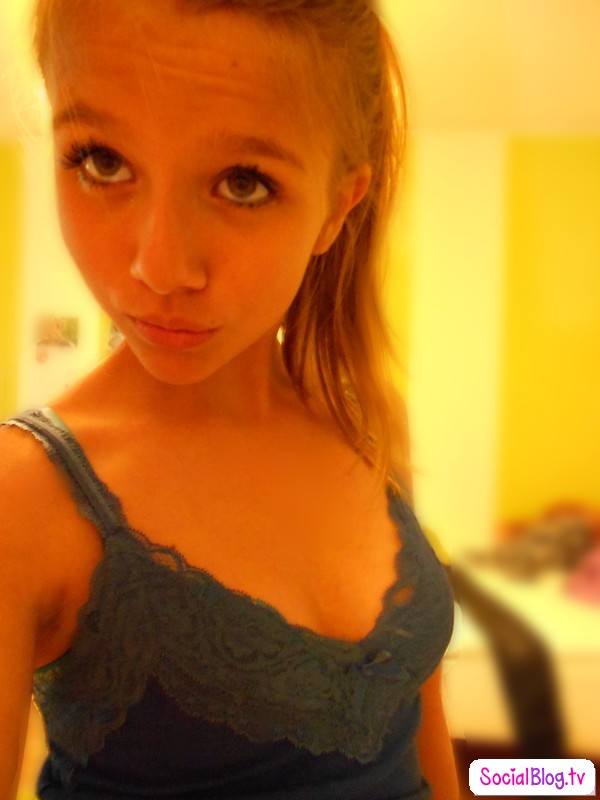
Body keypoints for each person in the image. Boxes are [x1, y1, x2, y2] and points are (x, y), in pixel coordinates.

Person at [0, 1, 457, 798]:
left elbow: (428, 751)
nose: (158, 267)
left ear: (337, 207)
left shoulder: (361, 425)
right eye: (102, 161)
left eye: (243, 183)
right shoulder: (25, 495)